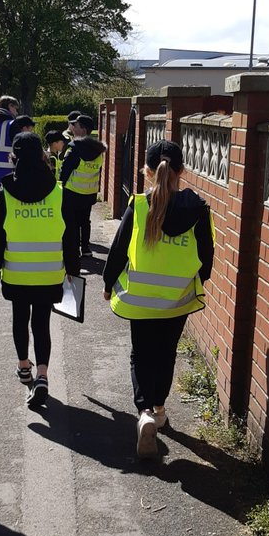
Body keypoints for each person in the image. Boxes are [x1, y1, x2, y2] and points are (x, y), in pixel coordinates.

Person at [102, 139, 214, 459]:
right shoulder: (199, 209)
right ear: (182, 171)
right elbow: (206, 257)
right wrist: (194, 281)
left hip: (140, 298)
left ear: (147, 172)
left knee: (141, 353)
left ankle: (144, 413)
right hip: (177, 300)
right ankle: (161, 409)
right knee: (166, 353)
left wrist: (109, 282)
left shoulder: (138, 205)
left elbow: (120, 248)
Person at [0, 131, 81, 410]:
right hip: (50, 274)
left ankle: (23, 367)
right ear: (42, 156)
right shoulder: (59, 193)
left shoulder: (6, 193)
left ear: (13, 158)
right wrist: (73, 268)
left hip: (16, 274)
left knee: (19, 318)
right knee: (41, 323)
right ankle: (42, 375)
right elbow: (70, 236)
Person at [60, 114, 107, 257]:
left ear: (84, 130)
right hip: (89, 193)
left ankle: (73, 249)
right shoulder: (99, 151)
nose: (73, 128)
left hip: (72, 192)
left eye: (77, 126)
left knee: (71, 222)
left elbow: (64, 171)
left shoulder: (74, 149)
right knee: (85, 221)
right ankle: (85, 249)